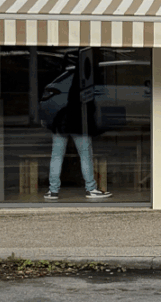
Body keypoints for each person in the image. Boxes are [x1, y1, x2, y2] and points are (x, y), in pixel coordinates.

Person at [45, 55, 112, 200]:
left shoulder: (61, 78)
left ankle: (53, 191)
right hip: (78, 123)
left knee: (56, 155)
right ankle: (91, 188)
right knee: (85, 156)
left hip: (60, 121)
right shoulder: (85, 81)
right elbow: (89, 105)